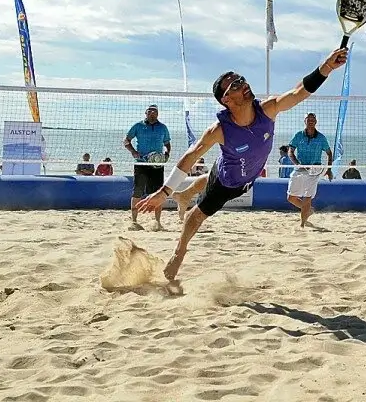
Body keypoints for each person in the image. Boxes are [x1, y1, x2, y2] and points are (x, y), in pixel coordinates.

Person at [136, 48, 348, 281]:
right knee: (197, 216)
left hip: (247, 175)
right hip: (227, 181)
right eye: (234, 84)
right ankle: (179, 253)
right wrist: (164, 191)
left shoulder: (267, 109)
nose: (242, 83)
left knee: (210, 177)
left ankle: (186, 193)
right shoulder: (219, 130)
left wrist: (327, 67)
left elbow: (299, 92)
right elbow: (191, 155)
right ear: (226, 99)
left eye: (241, 79)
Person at [124, 104, 172, 231]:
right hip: (141, 163)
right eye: (150, 111)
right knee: (137, 191)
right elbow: (126, 141)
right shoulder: (138, 126)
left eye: (155, 111)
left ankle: (157, 223)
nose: (152, 113)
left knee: (158, 193)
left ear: (157, 114)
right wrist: (133, 152)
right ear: (146, 113)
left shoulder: (162, 128)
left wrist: (167, 154)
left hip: (157, 164)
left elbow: (167, 144)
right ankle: (134, 222)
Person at [287, 113, 333, 227]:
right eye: (309, 119)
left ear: (316, 122)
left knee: (307, 196)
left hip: (315, 169)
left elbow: (329, 153)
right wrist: (297, 164)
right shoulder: (298, 135)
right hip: (301, 167)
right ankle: (308, 210)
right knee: (291, 198)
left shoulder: (321, 137)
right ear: (305, 121)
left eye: (313, 119)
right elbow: (290, 151)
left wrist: (329, 169)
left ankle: (302, 224)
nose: (311, 121)